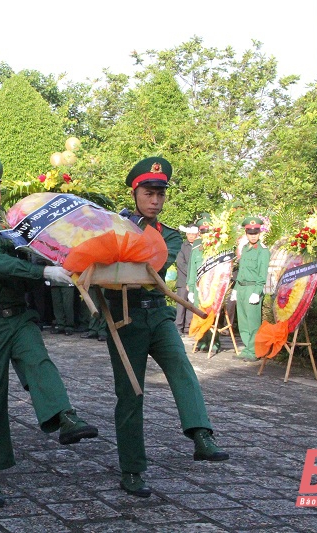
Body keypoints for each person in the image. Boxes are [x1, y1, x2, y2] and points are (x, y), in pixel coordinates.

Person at [0, 153, 99, 507]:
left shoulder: (16, 230)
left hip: (17, 316)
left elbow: (40, 251)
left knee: (39, 360)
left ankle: (64, 417)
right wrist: (42, 273)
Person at [106, 157, 228, 498]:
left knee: (181, 368)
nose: (155, 200)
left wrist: (123, 239)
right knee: (130, 394)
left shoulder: (170, 237)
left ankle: (201, 434)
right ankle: (132, 470)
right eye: (148, 193)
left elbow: (152, 264)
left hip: (157, 313)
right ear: (135, 193)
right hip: (123, 319)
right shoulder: (112, 227)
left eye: (160, 194)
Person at [233, 216, 270, 361]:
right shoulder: (245, 248)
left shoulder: (263, 251)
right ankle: (247, 348)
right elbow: (241, 270)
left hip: (252, 288)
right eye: (250, 233)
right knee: (243, 321)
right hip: (242, 288)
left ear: (259, 233)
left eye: (255, 233)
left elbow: (262, 274)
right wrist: (236, 288)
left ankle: (254, 351)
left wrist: (257, 291)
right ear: (246, 233)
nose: (253, 236)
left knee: (253, 322)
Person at [187, 217, 221, 353]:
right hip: (198, 289)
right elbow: (191, 269)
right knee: (199, 314)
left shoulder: (218, 249)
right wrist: (190, 285)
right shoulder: (196, 248)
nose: (205, 235)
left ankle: (214, 341)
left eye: (208, 232)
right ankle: (201, 340)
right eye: (203, 232)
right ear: (200, 233)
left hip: (212, 289)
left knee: (212, 314)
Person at [176, 224, 199, 334]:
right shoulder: (182, 246)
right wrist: (191, 274)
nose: (191, 236)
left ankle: (189, 327)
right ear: (186, 234)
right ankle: (179, 326)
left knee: (192, 303)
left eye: (193, 234)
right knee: (181, 303)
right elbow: (180, 263)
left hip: (195, 280)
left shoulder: (200, 246)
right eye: (189, 234)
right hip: (183, 279)